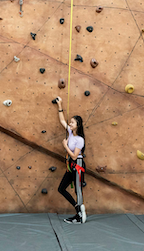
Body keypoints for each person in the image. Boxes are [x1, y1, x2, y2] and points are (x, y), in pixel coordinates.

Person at [54, 96, 87, 224]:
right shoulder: (70, 133)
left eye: (72, 122)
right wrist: (60, 105)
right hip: (71, 165)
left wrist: (65, 146)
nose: (70, 124)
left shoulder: (80, 139)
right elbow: (62, 120)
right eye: (70, 122)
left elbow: (74, 156)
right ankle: (78, 210)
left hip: (77, 164)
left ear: (77, 125)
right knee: (61, 188)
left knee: (78, 190)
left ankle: (79, 215)